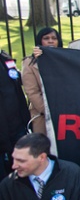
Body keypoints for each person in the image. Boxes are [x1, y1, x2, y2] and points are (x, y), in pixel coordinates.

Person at [0, 133, 80, 199]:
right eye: (14, 159)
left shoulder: (73, 174)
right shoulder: (8, 185)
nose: (14, 166)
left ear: (42, 157)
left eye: (21, 161)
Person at [22, 27, 63, 135]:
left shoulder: (64, 60)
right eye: (46, 38)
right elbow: (32, 92)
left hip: (65, 113)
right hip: (42, 114)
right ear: (40, 41)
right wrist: (49, 111)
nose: (51, 41)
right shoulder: (29, 63)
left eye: (54, 38)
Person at [0, 49, 30, 180]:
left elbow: (17, 79)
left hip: (17, 123)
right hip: (2, 126)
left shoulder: (5, 57)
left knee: (21, 163)